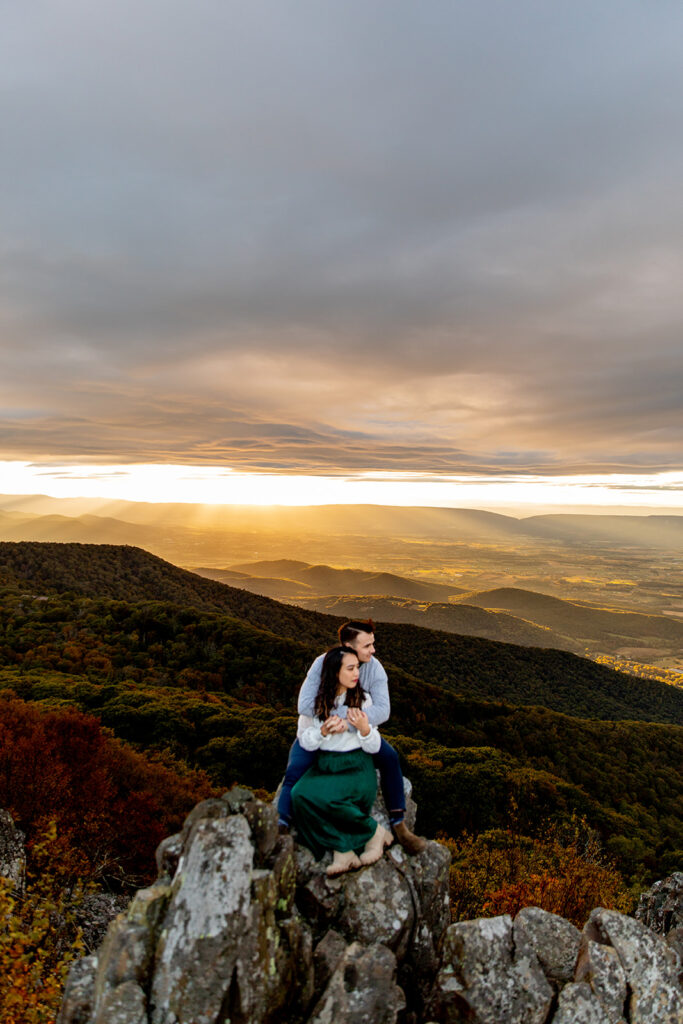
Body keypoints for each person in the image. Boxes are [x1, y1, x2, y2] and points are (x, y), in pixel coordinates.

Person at [278, 619, 426, 854]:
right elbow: (304, 705)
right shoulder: (322, 664)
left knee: (390, 759)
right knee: (294, 772)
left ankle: (399, 825)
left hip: (355, 738)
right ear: (348, 646)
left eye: (372, 644)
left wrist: (347, 723)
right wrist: (331, 722)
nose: (373, 650)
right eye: (367, 646)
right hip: (317, 733)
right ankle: (282, 827)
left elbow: (383, 711)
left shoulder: (375, 669)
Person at [291, 645, 394, 876]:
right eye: (350, 668)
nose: (357, 673)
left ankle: (372, 833)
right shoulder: (317, 704)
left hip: (356, 767)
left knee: (329, 800)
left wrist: (365, 729)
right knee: (299, 796)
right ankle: (344, 849)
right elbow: (305, 741)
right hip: (325, 765)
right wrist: (323, 733)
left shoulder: (364, 701)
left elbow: (374, 746)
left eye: (357, 667)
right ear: (334, 672)